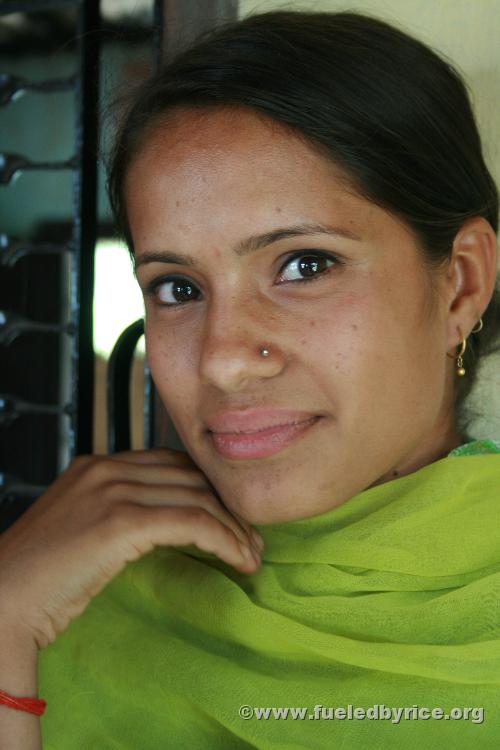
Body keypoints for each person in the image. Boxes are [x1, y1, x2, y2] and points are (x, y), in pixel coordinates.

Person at [1, 9, 499, 749]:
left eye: (305, 264)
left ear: (459, 285)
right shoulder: (71, 601)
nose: (221, 359)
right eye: (177, 288)